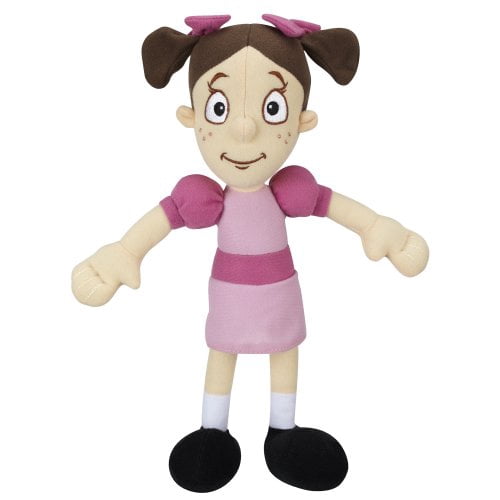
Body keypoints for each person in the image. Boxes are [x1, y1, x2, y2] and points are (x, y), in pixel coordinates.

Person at [71, 14, 429, 493]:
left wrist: (378, 229)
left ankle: (284, 431)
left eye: (273, 109)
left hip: (280, 296)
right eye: (218, 108)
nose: (243, 128)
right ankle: (213, 431)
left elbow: (337, 208)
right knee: (223, 352)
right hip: (230, 299)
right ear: (193, 116)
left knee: (284, 351)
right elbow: (160, 222)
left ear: (302, 120)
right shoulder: (200, 198)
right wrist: (123, 253)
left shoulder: (292, 190)